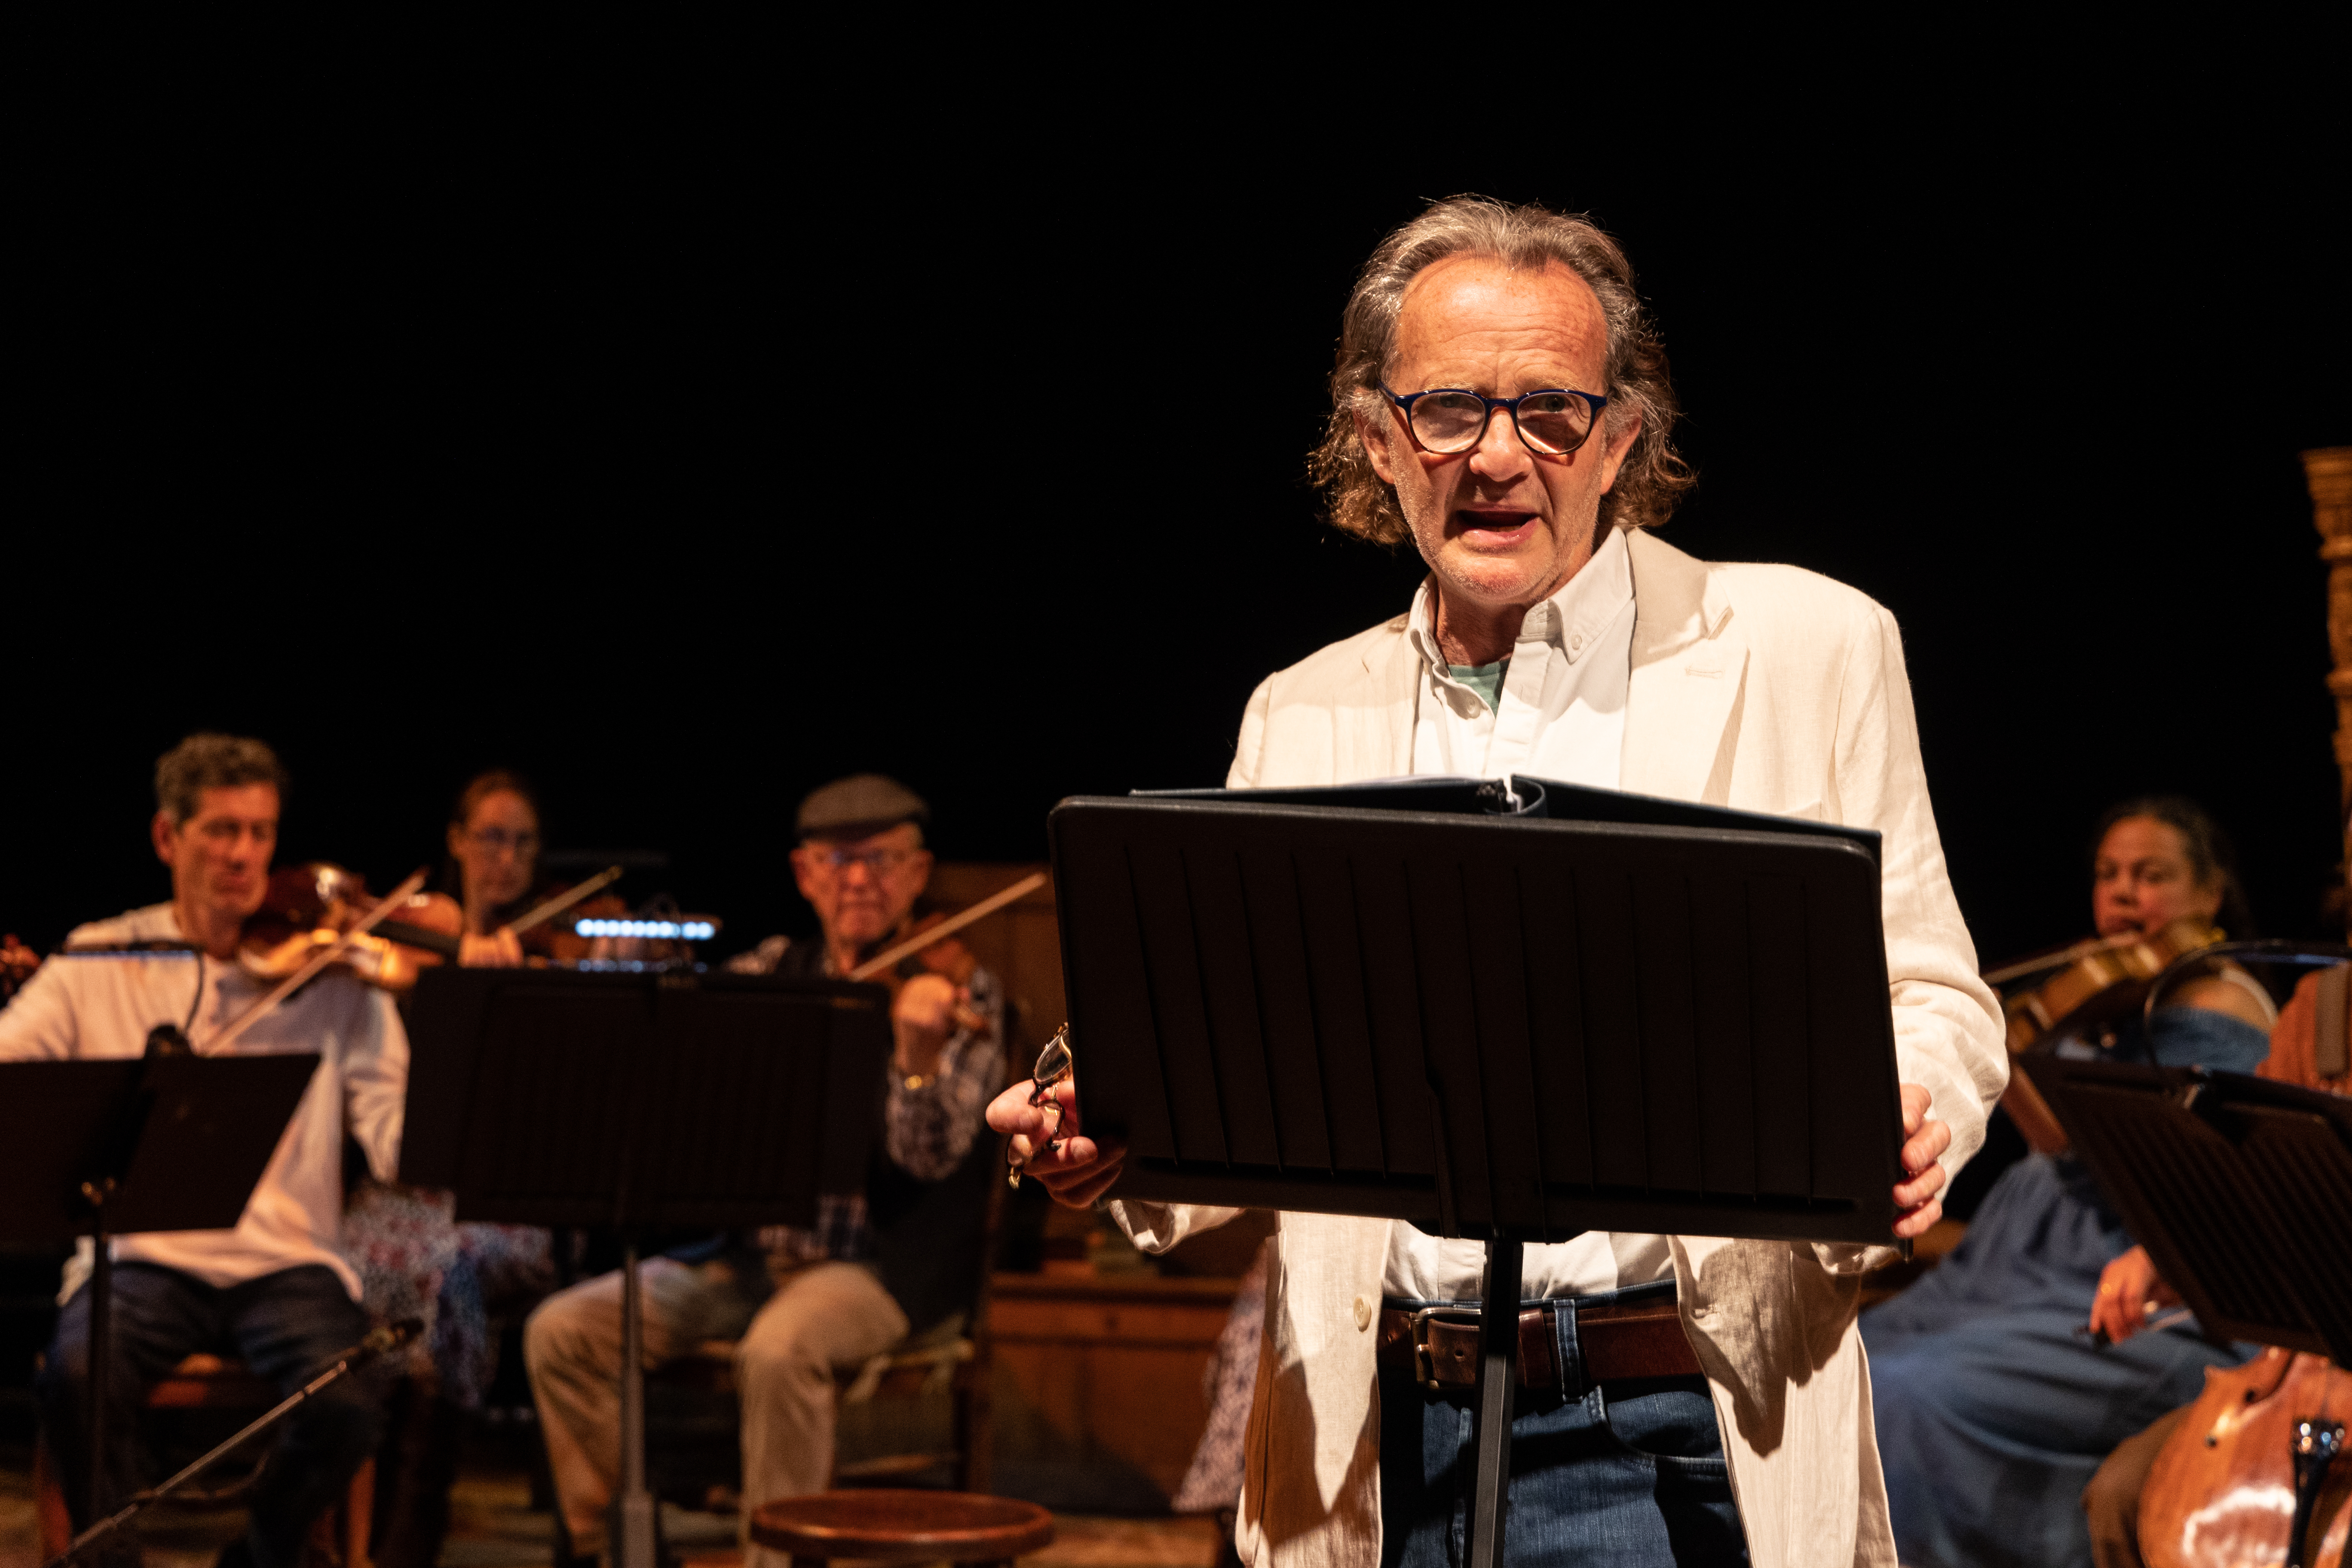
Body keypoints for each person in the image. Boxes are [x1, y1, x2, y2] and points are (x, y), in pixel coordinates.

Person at [992, 196, 2006, 1568]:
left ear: (1621, 438)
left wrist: (1910, 1103)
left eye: (1550, 411)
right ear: (1377, 438)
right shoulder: (1301, 709)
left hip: (1671, 1418)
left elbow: (1936, 995)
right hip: (1375, 1439)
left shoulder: (1808, 646)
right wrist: (1103, 1128)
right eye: (1449, 408)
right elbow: (1248, 1067)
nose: (1496, 453)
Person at [525, 773, 1004, 1568]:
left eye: (882, 860)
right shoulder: (774, 969)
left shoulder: (962, 991)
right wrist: (625, 973)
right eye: (839, 861)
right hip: (746, 1260)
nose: (859, 880)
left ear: (919, 874)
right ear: (804, 874)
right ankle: (622, 1552)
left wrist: (916, 1061)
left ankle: (774, 1562)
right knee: (562, 1332)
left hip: (879, 1267)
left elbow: (929, 1160)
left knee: (779, 1353)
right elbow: (676, 1043)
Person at [0, 734, 407, 1568]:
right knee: (75, 1377)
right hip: (141, 1260)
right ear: (168, 837)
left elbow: (398, 1134)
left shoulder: (330, 973)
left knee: (351, 1398)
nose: (244, 856)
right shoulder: (103, 957)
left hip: (288, 1262)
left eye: (261, 833)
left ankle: (261, 1554)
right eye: (222, 831)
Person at [1862, 796, 2274, 1568]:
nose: (2123, 894)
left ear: (2211, 892)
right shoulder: (2111, 997)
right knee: (1853, 1362)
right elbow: (2055, 1142)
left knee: (1908, 1390)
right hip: (2026, 1258)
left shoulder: (2219, 1002)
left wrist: (2016, 1050)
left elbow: (2128, 1159)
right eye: (2109, 875)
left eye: (2151, 876)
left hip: (2131, 1272)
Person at [338, 769, 559, 1568]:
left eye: (523, 843)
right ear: (457, 841)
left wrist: (499, 997)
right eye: (491, 837)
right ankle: (356, 1518)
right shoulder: (410, 952)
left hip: (500, 1201)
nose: (506, 858)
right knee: (352, 1262)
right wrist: (447, 981)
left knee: (440, 1269)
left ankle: (412, 1523)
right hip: (401, 1191)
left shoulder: (542, 961)